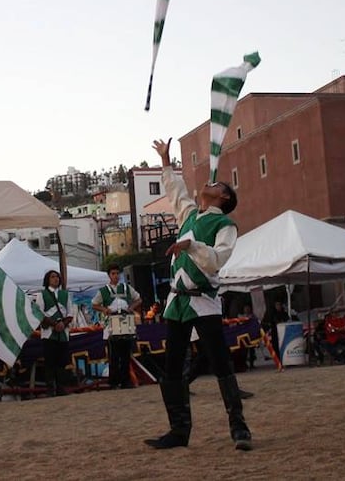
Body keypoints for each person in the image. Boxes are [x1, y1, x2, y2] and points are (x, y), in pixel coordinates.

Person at [144, 138, 253, 452]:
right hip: (177, 302)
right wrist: (166, 161)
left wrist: (191, 245)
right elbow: (176, 193)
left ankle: (239, 428)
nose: (210, 182)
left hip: (203, 301)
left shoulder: (225, 224)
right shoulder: (189, 216)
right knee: (173, 367)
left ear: (223, 196)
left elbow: (218, 260)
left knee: (220, 363)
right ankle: (179, 431)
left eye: (217, 184)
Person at [92, 265, 142, 389]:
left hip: (125, 321)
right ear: (109, 275)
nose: (116, 276)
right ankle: (114, 382)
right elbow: (94, 304)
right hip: (111, 324)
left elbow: (139, 299)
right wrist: (104, 309)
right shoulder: (103, 290)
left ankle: (126, 381)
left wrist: (131, 308)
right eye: (113, 273)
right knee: (113, 355)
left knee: (125, 354)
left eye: (117, 273)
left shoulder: (126, 288)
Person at [36, 269, 74, 396]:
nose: (56, 279)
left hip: (63, 333)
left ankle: (61, 387)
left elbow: (70, 313)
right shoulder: (42, 295)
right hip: (49, 333)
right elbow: (39, 314)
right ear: (48, 279)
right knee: (50, 362)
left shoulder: (65, 294)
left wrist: (63, 323)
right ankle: (50, 388)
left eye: (57, 277)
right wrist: (54, 324)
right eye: (53, 277)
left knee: (62, 361)